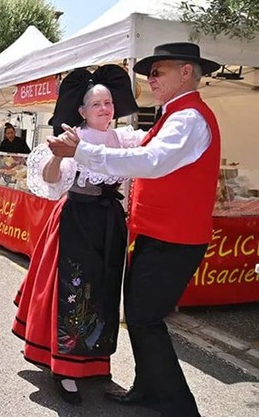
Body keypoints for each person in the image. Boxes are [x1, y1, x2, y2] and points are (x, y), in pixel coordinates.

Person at [48, 43, 221, 417]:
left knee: (145, 319)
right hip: (157, 233)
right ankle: (146, 389)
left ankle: (179, 406)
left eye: (158, 72)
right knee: (141, 317)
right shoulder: (173, 114)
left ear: (186, 72)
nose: (150, 80)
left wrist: (82, 152)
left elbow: (151, 161)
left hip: (174, 237)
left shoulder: (188, 117)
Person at [12, 65, 140, 405]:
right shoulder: (74, 136)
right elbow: (53, 183)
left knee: (104, 289)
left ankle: (96, 362)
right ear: (82, 111)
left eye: (108, 102)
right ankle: (65, 368)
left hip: (109, 222)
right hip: (76, 220)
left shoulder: (124, 138)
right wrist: (56, 155)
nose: (104, 108)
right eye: (96, 104)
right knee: (75, 290)